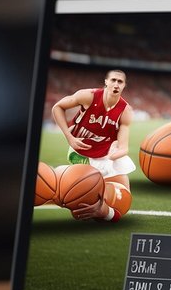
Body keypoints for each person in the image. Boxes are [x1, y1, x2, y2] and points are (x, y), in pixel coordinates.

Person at [51, 69, 135, 221]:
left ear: (124, 86)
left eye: (120, 81)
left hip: (106, 152)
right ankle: (65, 186)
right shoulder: (88, 96)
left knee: (123, 197)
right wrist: (69, 137)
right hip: (81, 152)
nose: (116, 84)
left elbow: (124, 147)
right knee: (81, 192)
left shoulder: (126, 111)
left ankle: (104, 211)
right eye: (113, 80)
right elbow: (57, 107)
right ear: (106, 82)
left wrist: (114, 155)